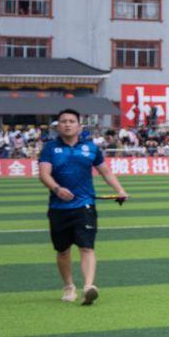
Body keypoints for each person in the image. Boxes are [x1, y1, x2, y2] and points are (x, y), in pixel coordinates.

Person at [37, 108, 127, 305]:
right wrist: (57, 188)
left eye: (71, 121)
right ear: (58, 126)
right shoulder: (50, 148)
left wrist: (120, 190)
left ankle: (88, 286)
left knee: (87, 247)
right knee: (62, 251)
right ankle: (69, 286)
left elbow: (105, 172)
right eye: (63, 121)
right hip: (59, 208)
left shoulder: (91, 148)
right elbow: (44, 174)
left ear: (79, 126)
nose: (67, 124)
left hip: (85, 205)